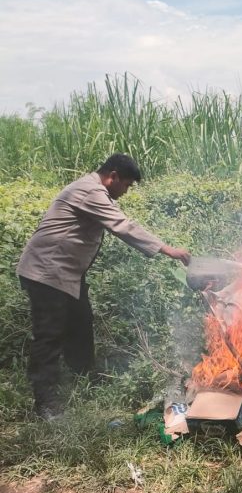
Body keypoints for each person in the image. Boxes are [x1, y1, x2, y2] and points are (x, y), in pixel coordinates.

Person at [17, 153, 191, 420]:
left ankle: (84, 379)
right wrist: (167, 249)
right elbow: (122, 226)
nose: (126, 191)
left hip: (66, 274)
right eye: (127, 185)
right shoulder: (91, 191)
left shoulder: (93, 190)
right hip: (47, 272)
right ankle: (45, 403)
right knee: (49, 335)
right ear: (113, 176)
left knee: (81, 323)